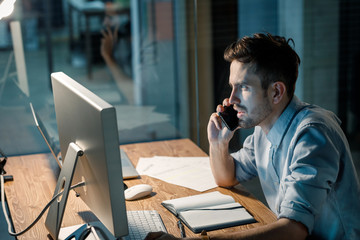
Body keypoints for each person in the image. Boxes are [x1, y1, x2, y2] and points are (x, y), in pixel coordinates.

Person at [145, 33, 360, 240]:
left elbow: (294, 229)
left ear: (276, 92)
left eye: (244, 87)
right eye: (232, 87)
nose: (232, 99)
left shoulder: (312, 134)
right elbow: (226, 177)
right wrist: (218, 142)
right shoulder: (263, 129)